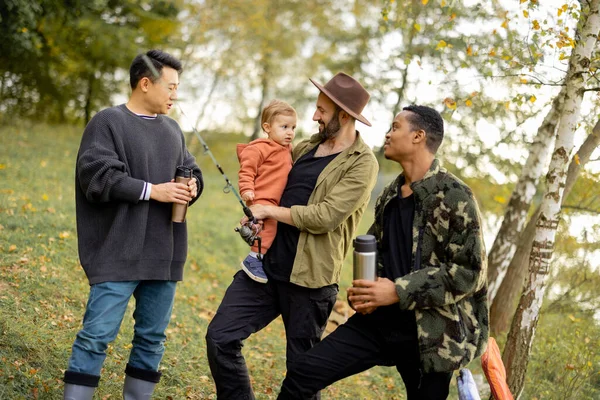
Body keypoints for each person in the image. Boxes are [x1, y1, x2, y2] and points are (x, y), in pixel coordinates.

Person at [277, 105, 489, 400]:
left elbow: (469, 273)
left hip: (431, 336)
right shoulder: (391, 193)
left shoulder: (455, 195)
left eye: (395, 127)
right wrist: (367, 290)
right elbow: (377, 247)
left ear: (418, 136)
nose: (387, 135)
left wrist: (398, 291)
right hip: (378, 324)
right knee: (303, 373)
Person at [205, 72, 379, 399]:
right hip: (267, 268)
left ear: (344, 116)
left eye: (321, 111)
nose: (313, 116)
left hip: (310, 283)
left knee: (301, 375)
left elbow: (325, 216)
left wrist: (270, 212)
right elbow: (275, 185)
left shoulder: (362, 164)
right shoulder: (305, 147)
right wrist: (258, 209)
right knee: (220, 337)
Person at [63, 49, 203, 400]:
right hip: (118, 251)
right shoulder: (108, 122)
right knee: (96, 336)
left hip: (163, 254)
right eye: (170, 87)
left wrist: (194, 184)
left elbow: (189, 167)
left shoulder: (173, 130)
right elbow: (96, 176)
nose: (175, 95)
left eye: (177, 88)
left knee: (152, 339)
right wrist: (152, 191)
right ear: (145, 83)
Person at [237, 99, 296, 283]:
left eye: (293, 128)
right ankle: (253, 259)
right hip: (263, 198)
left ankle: (257, 246)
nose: (290, 132)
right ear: (267, 127)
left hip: (276, 201)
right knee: (268, 229)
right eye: (284, 126)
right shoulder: (260, 148)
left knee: (263, 228)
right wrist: (247, 190)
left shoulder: (287, 149)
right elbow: (247, 170)